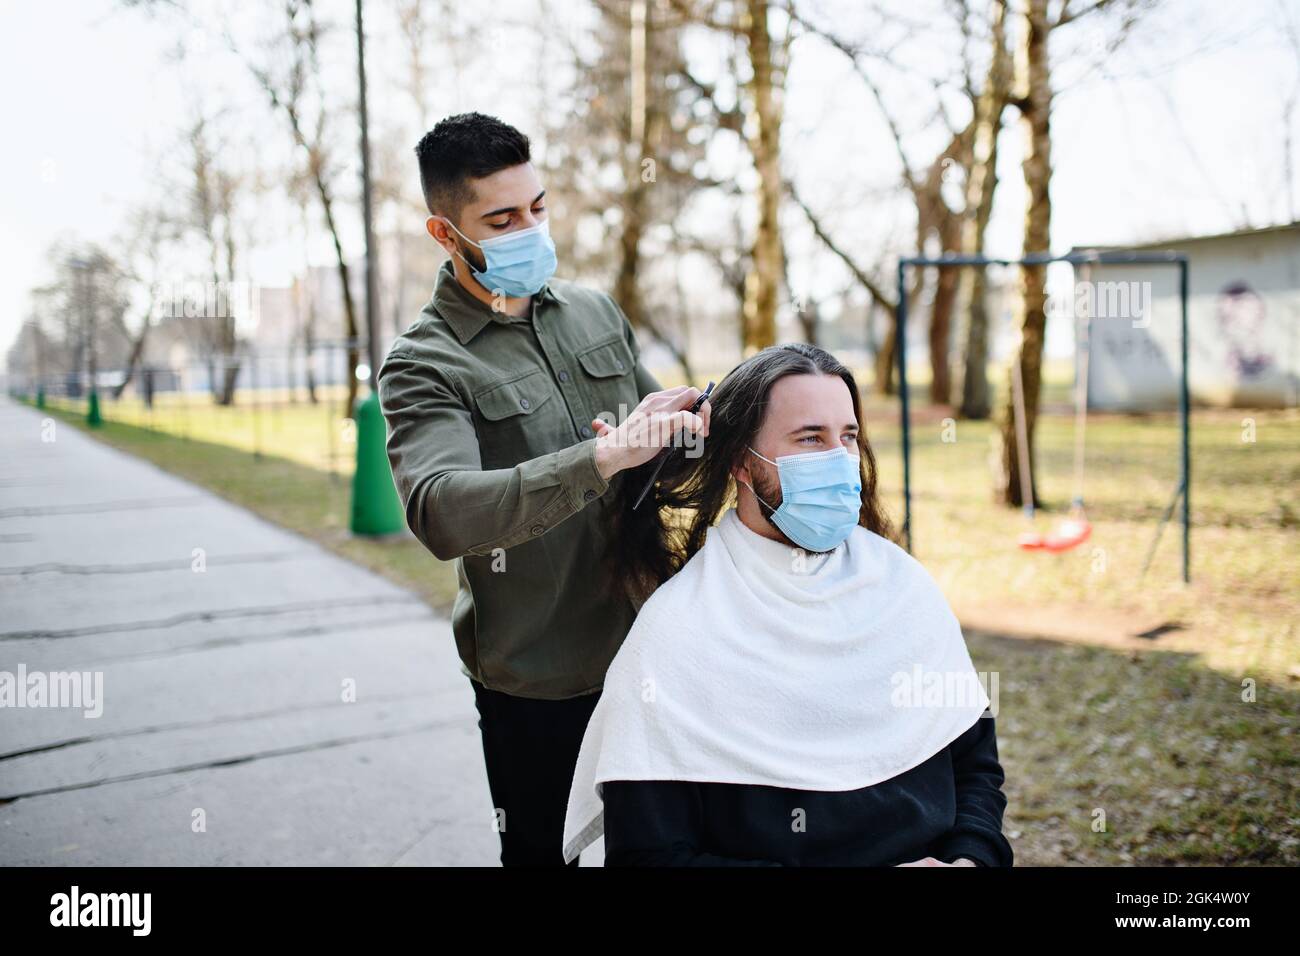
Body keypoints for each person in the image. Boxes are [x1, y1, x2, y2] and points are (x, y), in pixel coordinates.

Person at [376, 112, 711, 867]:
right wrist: (596, 461)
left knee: (669, 851)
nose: (529, 229)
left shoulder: (594, 311)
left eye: (538, 207)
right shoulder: (424, 364)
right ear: (445, 234)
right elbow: (441, 510)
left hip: (650, 652)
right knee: (544, 859)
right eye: (500, 219)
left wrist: (695, 432)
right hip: (539, 685)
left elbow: (662, 461)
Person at [562, 343, 1012, 867]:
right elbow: (650, 856)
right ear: (742, 464)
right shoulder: (676, 634)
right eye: (810, 438)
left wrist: (971, 859)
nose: (840, 460)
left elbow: (975, 764)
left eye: (847, 436)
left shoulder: (905, 588)